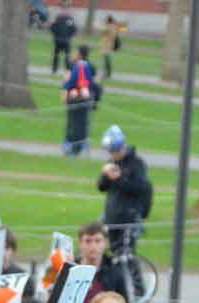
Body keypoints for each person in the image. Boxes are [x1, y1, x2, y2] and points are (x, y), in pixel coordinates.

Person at [98, 125, 151, 261]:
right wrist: (105, 175)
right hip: (112, 216)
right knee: (113, 254)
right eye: (110, 151)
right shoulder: (111, 162)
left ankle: (133, 275)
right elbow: (101, 187)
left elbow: (140, 188)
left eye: (114, 151)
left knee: (126, 256)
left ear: (122, 147)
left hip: (129, 218)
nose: (112, 154)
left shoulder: (137, 164)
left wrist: (119, 178)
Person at [62, 46, 97, 157]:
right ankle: (79, 144)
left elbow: (67, 81)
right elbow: (93, 84)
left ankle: (73, 144)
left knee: (74, 121)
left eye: (76, 52)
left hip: (75, 98)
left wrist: (65, 93)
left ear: (80, 54)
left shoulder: (74, 65)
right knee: (80, 122)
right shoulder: (90, 66)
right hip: (84, 98)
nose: (74, 54)